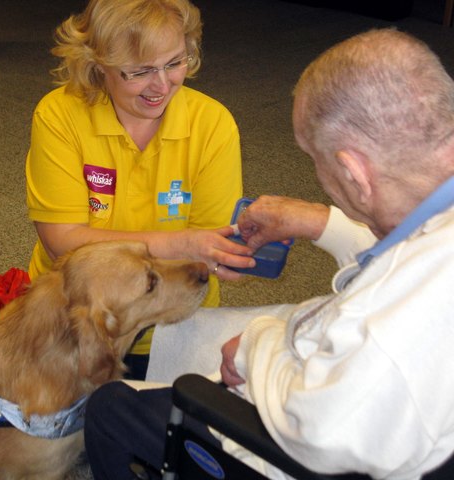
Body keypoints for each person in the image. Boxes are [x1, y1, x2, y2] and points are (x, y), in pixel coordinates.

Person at [84, 28, 454, 479]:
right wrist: (322, 221)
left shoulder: (395, 325)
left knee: (111, 407)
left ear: (354, 172)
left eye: (316, 163)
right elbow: (408, 249)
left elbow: (320, 433)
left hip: (308, 444)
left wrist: (257, 346)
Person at [25, 0, 253, 378]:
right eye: (140, 71)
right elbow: (62, 243)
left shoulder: (213, 124)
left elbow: (208, 247)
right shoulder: (59, 115)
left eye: (174, 62)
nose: (162, 85)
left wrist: (224, 253)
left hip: (175, 322)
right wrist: (182, 243)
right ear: (98, 65)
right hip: (79, 322)